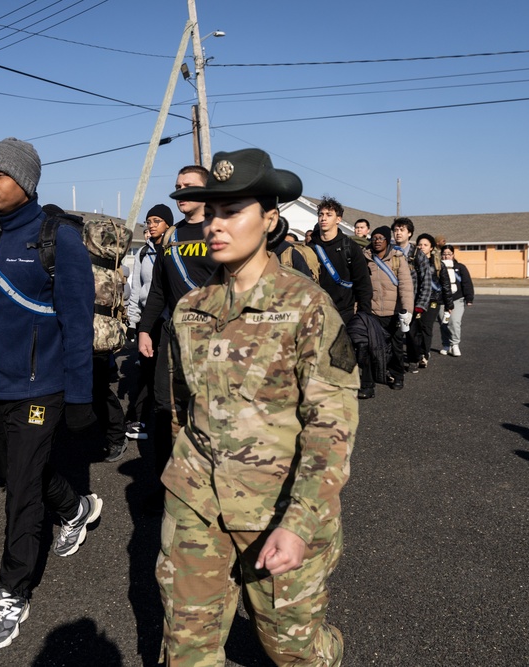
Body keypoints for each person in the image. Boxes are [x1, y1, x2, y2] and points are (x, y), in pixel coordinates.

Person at [158, 148, 358, 666]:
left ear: (270, 220)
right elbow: (184, 410)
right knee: (186, 649)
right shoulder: (190, 310)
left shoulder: (308, 307)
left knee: (292, 652)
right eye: (210, 212)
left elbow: (330, 427)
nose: (214, 225)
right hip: (196, 503)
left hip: (277, 507)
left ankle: (327, 651)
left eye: (232, 211)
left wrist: (299, 521)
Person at [0, 138, 102, 650]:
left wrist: (80, 397)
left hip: (43, 387)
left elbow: (78, 324)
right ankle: (76, 507)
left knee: (20, 493)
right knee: (19, 469)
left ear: (27, 182)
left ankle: (11, 592)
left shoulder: (57, 239)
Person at [136, 165, 215, 503]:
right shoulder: (171, 237)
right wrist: (144, 330)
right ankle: (164, 485)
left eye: (189, 186)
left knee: (209, 409)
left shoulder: (220, 231)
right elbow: (158, 290)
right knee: (162, 408)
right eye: (177, 185)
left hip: (213, 335)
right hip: (172, 334)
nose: (181, 191)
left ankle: (209, 484)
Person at [123, 203, 174, 443]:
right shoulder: (144, 253)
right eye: (149, 221)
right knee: (145, 371)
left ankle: (167, 419)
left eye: (156, 221)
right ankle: (139, 419)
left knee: (166, 373)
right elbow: (136, 290)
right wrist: (134, 322)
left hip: (169, 321)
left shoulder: (173, 250)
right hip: (147, 321)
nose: (151, 225)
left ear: (168, 224)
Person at [362, 226, 413, 395]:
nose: (377, 241)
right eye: (374, 238)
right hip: (373, 311)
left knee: (396, 347)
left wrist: (407, 310)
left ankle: (398, 376)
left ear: (387, 240)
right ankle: (370, 381)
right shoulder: (365, 257)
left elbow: (406, 287)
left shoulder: (397, 258)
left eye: (381, 238)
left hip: (393, 312)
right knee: (371, 347)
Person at [308, 196, 372, 324]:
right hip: (315, 312)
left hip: (344, 312)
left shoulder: (350, 247)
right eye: (321, 214)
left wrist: (363, 316)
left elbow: (363, 284)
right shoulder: (310, 248)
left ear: (338, 219)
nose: (323, 218)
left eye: (329, 215)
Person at [391, 217, 433, 371]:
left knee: (412, 335)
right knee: (393, 334)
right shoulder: (389, 251)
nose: (398, 233)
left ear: (409, 233)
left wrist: (420, 305)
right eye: (395, 230)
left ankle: (416, 358)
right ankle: (394, 363)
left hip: (412, 303)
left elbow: (426, 282)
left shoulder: (417, 254)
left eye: (402, 230)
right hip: (392, 301)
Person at [412, 233, 451, 368]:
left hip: (433, 300)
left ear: (431, 248)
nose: (422, 247)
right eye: (420, 244)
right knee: (414, 328)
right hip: (415, 300)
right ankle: (416, 352)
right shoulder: (412, 262)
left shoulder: (438, 264)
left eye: (425, 245)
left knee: (426, 326)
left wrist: (448, 304)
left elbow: (446, 285)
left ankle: (424, 354)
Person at [438, 245, 475, 356]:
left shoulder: (460, 267)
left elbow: (467, 283)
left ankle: (455, 344)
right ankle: (446, 344)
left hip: (457, 299)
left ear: (453, 255)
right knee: (443, 323)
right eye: (444, 254)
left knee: (454, 321)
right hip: (442, 300)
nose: (446, 256)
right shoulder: (438, 267)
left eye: (449, 254)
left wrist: (469, 298)